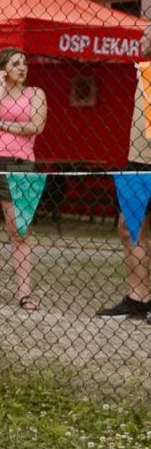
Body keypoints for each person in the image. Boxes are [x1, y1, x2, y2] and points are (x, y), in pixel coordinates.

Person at [0, 47, 47, 310]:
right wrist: (0, 88)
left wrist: (0, 123)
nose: (22, 68)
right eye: (15, 64)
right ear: (2, 68)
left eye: (25, 63)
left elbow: (36, 126)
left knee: (19, 231)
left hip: (20, 163)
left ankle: (24, 293)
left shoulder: (35, 93)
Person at [96, 26, 151, 320]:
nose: (140, 41)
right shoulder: (143, 71)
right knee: (129, 227)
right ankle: (139, 299)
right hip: (137, 162)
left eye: (146, 36)